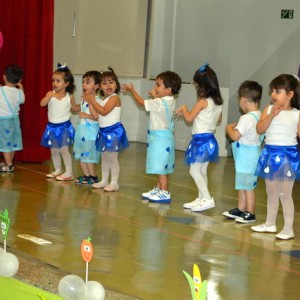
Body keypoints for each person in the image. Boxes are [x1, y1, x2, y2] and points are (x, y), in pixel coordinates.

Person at [251, 74, 300, 240]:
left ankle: (288, 229)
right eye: (272, 90)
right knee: (271, 191)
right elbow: (259, 129)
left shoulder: (297, 114)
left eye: (278, 91)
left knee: (285, 194)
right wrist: (271, 116)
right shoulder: (268, 109)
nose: (273, 94)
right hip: (270, 154)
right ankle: (270, 224)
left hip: (287, 156)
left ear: (290, 94)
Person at [122, 71, 182, 203]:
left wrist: (132, 90)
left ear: (168, 90)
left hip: (160, 138)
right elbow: (158, 104)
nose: (155, 88)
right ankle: (158, 188)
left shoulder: (160, 102)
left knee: (161, 167)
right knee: (161, 164)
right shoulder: (168, 101)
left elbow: (141, 102)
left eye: (158, 85)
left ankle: (164, 192)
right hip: (164, 137)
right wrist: (156, 96)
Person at [175, 63, 222, 212]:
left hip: (200, 141)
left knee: (194, 171)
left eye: (196, 84)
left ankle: (207, 198)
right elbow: (218, 121)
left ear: (201, 85)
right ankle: (201, 197)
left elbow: (189, 119)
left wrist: (183, 108)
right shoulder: (217, 103)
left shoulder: (202, 102)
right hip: (210, 140)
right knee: (202, 171)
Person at [223, 81, 263, 223]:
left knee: (248, 187)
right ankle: (241, 209)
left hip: (247, 157)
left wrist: (228, 128)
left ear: (243, 100)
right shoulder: (260, 115)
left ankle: (250, 212)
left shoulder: (245, 118)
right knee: (242, 184)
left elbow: (234, 136)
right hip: (250, 155)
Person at [86, 67, 129, 192]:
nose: (108, 85)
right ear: (100, 86)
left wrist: (92, 101)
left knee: (112, 158)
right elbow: (96, 116)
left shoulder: (115, 98)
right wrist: (90, 103)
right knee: (104, 157)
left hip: (114, 131)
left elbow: (104, 112)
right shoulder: (103, 99)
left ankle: (114, 182)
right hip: (103, 131)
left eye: (111, 82)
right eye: (104, 83)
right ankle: (104, 180)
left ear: (116, 85)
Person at [40, 63, 76, 181]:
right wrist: (48, 96)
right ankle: (58, 169)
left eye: (58, 81)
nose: (54, 83)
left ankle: (69, 172)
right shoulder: (50, 94)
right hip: (52, 126)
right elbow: (42, 104)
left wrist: (84, 105)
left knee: (64, 150)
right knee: (54, 150)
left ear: (66, 83)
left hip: (64, 127)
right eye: (53, 80)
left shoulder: (69, 96)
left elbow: (74, 108)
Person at [73, 70, 101, 185]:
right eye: (83, 82)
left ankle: (93, 176)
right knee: (80, 155)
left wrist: (86, 114)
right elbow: (75, 109)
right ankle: (86, 175)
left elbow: (96, 117)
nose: (84, 84)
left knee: (88, 156)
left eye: (88, 82)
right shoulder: (83, 98)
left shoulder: (97, 100)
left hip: (90, 132)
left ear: (96, 86)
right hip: (81, 131)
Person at [0, 64, 25, 172]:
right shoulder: (19, 92)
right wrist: (22, 89)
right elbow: (22, 101)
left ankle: (9, 165)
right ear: (19, 80)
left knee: (5, 142)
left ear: (4, 77)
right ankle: (8, 162)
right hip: (15, 121)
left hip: (4, 121)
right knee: (13, 142)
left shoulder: (1, 90)